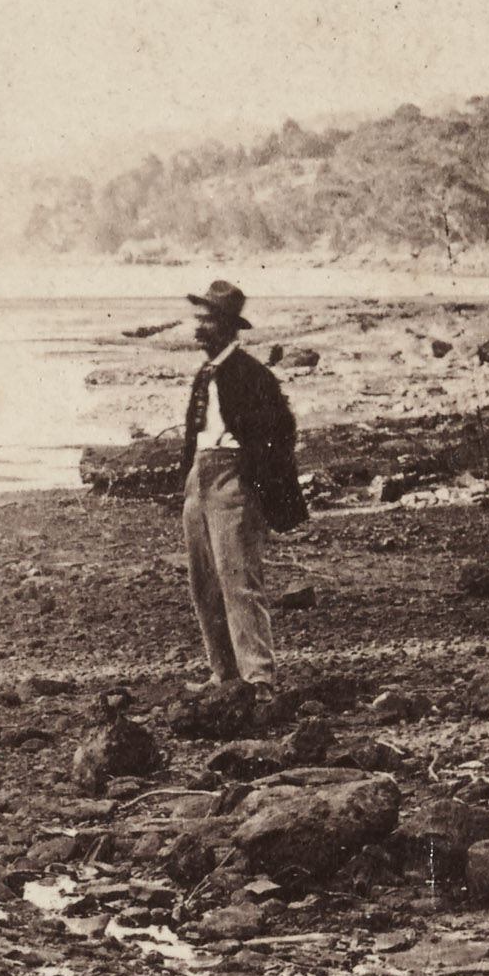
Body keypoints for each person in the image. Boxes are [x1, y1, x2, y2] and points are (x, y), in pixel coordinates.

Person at [177, 280, 305, 686]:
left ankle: (258, 678)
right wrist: (188, 479)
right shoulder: (207, 373)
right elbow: (195, 432)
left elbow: (281, 431)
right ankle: (225, 675)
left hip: (233, 477)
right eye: (198, 319)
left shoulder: (252, 374)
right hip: (200, 478)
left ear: (227, 326)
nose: (199, 328)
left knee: (238, 580)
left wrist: (253, 478)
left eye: (207, 320)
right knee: (205, 582)